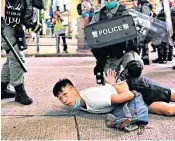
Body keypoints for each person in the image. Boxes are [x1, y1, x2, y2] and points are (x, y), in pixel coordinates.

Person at [53, 69, 175, 116]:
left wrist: (113, 85)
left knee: (171, 95)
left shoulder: (95, 99)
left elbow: (129, 95)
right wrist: (110, 85)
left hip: (135, 87)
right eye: (60, 98)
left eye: (65, 94)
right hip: (130, 99)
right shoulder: (78, 101)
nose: (64, 100)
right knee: (169, 111)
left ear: (75, 90)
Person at [88, 0, 144, 84]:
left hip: (126, 51)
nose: (109, 1)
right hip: (109, 55)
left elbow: (139, 31)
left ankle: (129, 87)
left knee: (134, 68)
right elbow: (90, 34)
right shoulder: (98, 15)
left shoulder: (127, 12)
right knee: (107, 84)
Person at [1, 0, 33, 105]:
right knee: (16, 56)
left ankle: (2, 87)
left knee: (12, 56)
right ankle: (19, 91)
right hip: (6, 22)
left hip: (13, 21)